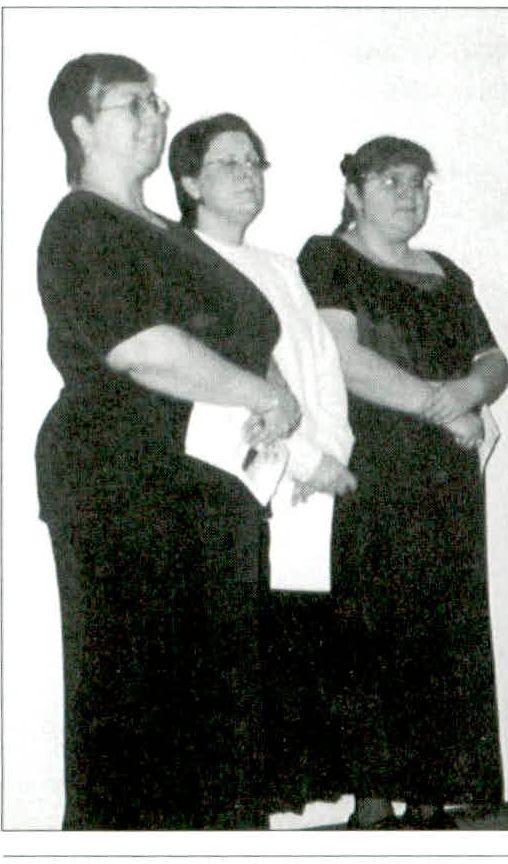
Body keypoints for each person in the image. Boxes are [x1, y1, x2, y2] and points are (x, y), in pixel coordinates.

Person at [36, 54, 300, 829]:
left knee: (218, 709)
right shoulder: (81, 224)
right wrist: (262, 394)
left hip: (207, 487)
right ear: (81, 126)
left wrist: (276, 395)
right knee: (137, 707)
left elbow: (247, 332)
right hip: (123, 484)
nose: (155, 117)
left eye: (157, 103)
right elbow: (142, 348)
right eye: (133, 105)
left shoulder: (167, 233)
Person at [298, 136, 508, 829]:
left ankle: (429, 795)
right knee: (372, 627)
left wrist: (469, 392)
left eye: (419, 182)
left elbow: (493, 361)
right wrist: (441, 406)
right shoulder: (328, 257)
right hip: (375, 468)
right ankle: (371, 804)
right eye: (390, 181)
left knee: (443, 629)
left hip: (448, 472)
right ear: (353, 192)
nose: (409, 194)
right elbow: (341, 358)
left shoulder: (446, 271)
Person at [167, 112, 356, 814]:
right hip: (232, 482)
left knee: (291, 659)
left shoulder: (282, 267)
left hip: (307, 491)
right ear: (190, 182)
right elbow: (228, 381)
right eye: (229, 163)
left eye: (255, 163)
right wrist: (302, 460)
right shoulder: (180, 259)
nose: (248, 176)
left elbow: (321, 368)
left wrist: (331, 457)